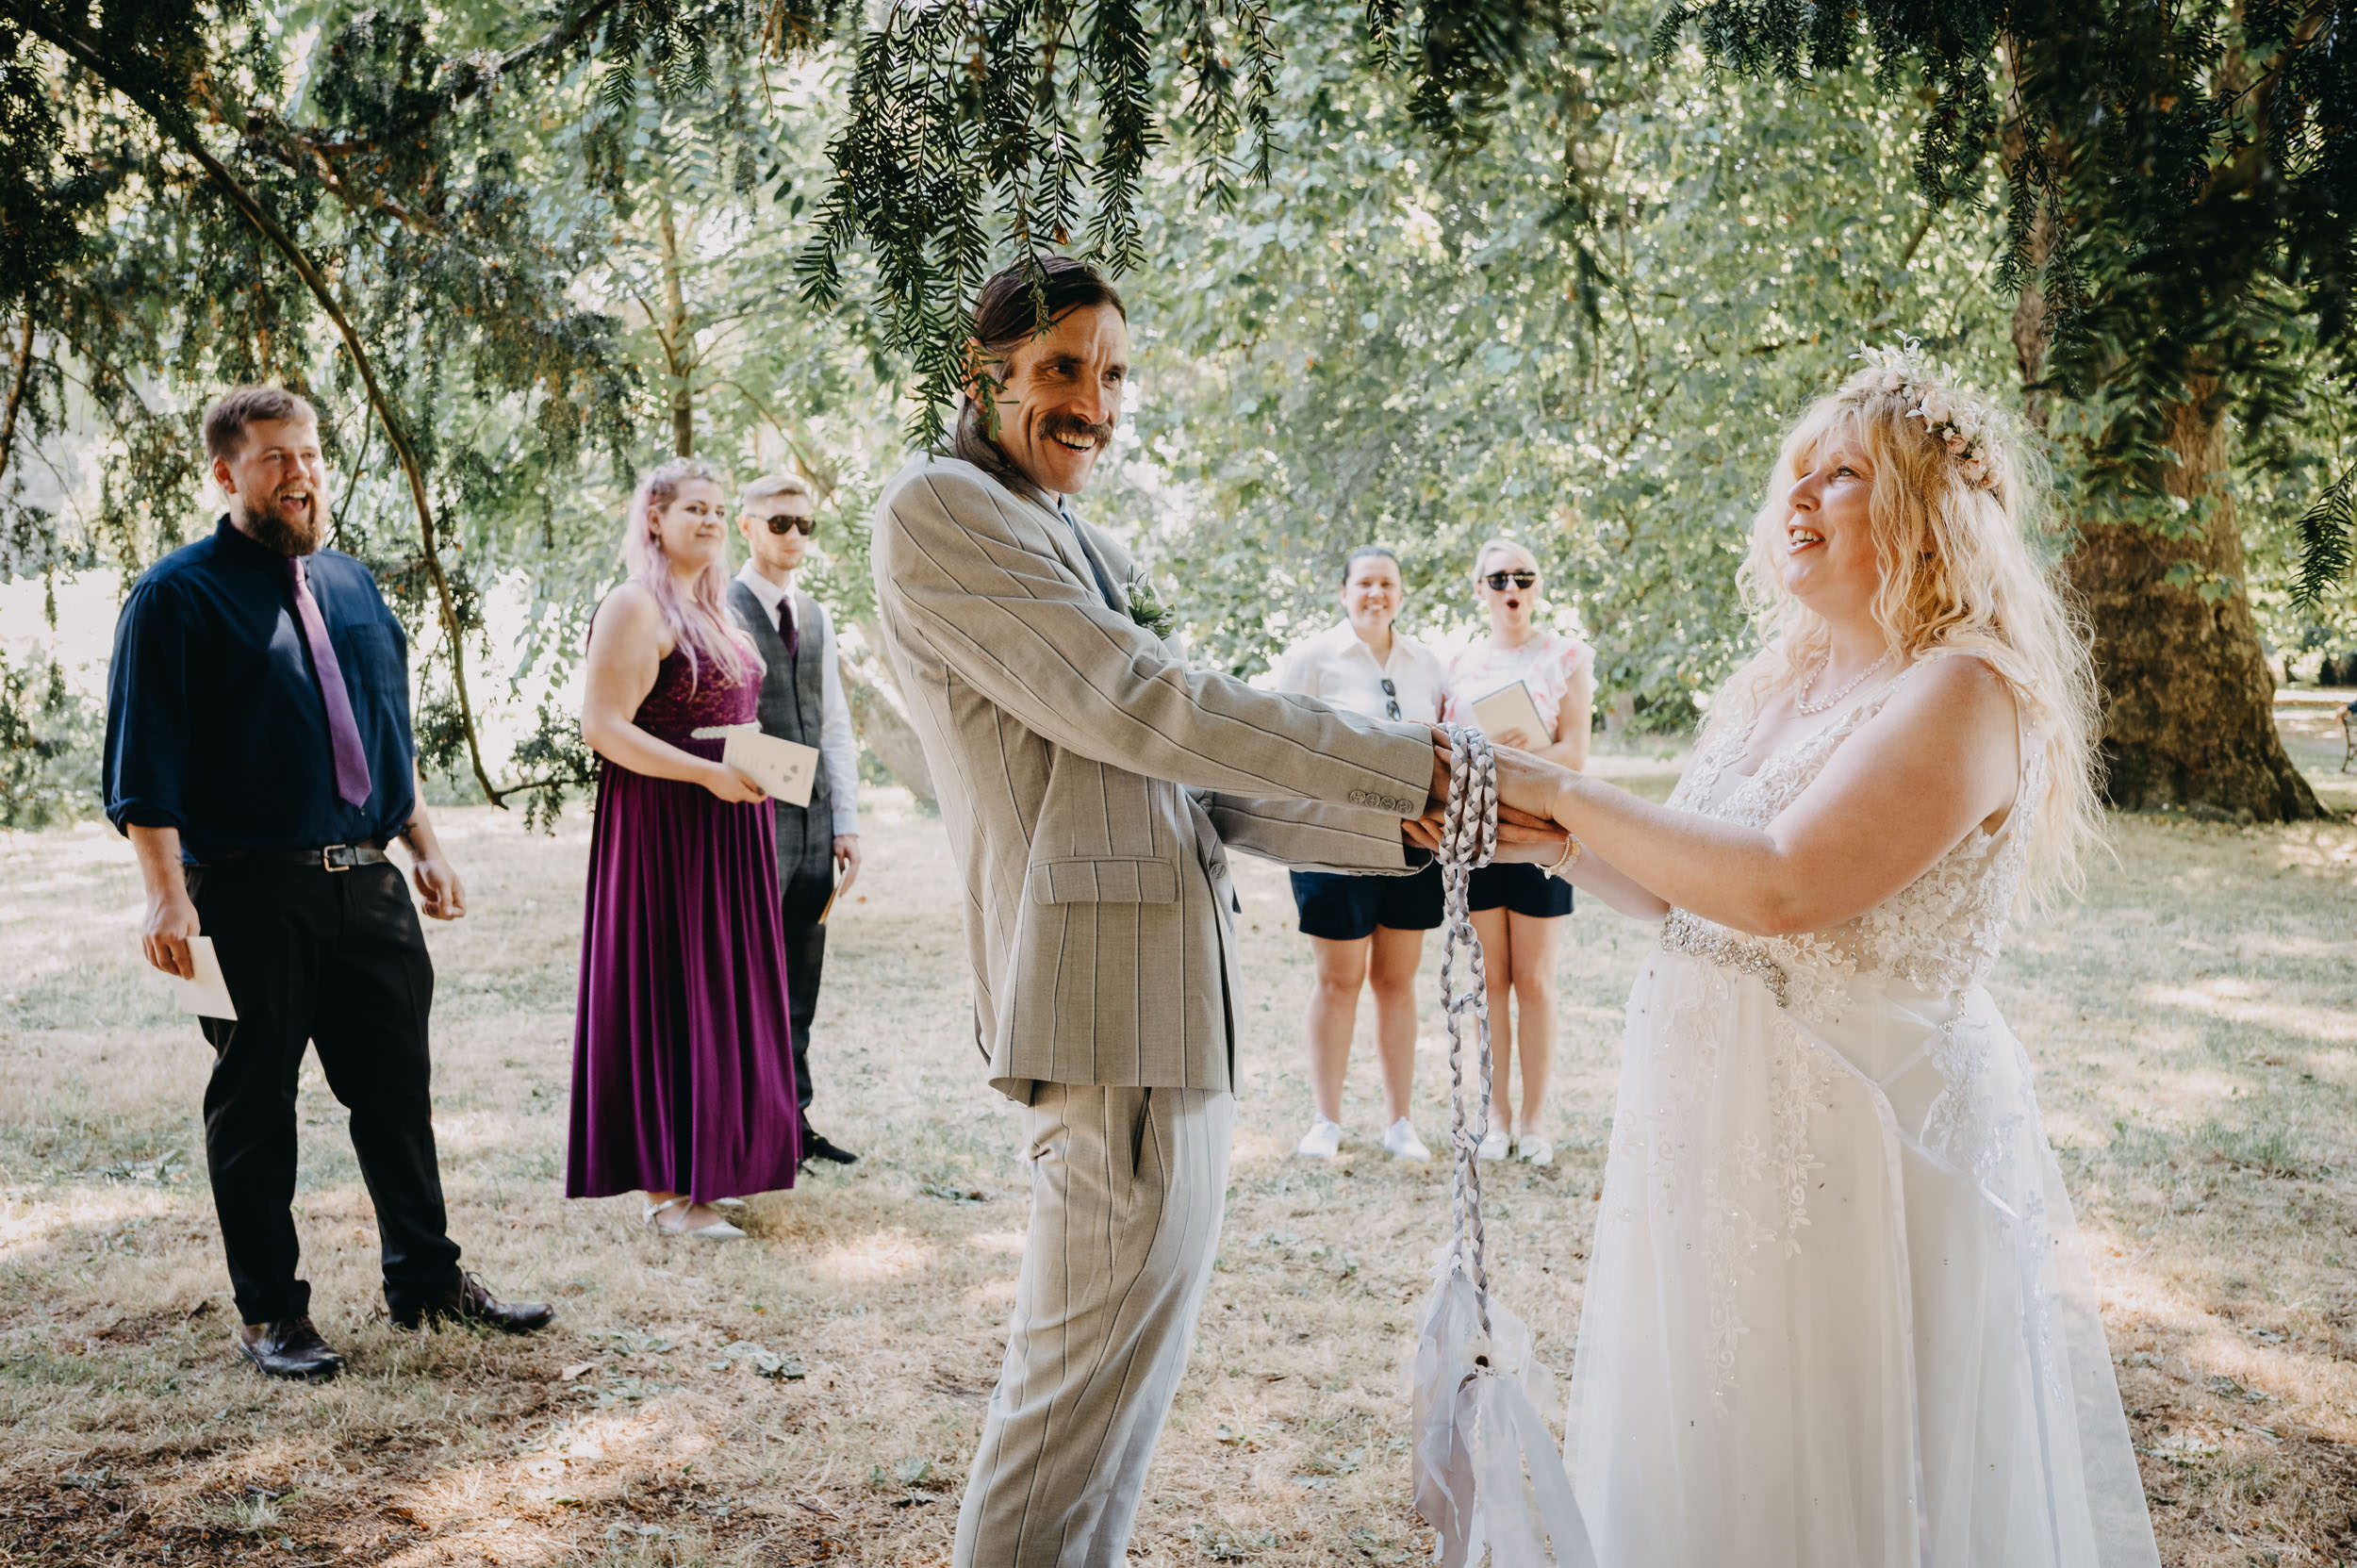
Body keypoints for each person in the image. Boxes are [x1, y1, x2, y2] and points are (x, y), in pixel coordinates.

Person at [1459, 351, 2162, 1567]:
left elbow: (1782, 882)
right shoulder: (1776, 683)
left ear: (1928, 516)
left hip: (1852, 1143)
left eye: (1840, 475)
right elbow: (1697, 893)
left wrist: (1561, 784)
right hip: (1707, 1126)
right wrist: (1541, 833)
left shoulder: (1963, 689)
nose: (1798, 494)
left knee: (1838, 1468)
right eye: (1796, 468)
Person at [869, 256, 1444, 1568]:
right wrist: (1407, 763)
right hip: (1104, 1010)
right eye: (1063, 366)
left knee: (1119, 1422)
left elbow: (1183, 782)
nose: (1095, 401)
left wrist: (1403, 825)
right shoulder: (938, 509)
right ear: (987, 371)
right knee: (1059, 1423)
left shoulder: (1069, 530)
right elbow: (1141, 700)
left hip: (1178, 1006)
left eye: (1113, 373)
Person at [104, 386, 553, 1382]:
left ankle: (427, 1281)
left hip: (371, 886)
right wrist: (164, 892)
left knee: (397, 1093)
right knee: (254, 1104)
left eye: (308, 454)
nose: (300, 474)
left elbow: (386, 730)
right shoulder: (175, 597)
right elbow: (148, 762)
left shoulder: (352, 585)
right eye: (275, 459)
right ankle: (271, 1312)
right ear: (225, 474)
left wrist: (425, 843)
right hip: (245, 895)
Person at [569, 457, 801, 1241]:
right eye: (692, 508)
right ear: (655, 520)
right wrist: (707, 775)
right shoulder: (636, 605)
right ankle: (670, 1192)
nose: (707, 519)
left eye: (716, 508)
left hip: (726, 825)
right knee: (671, 986)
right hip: (664, 828)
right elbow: (603, 726)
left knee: (717, 989)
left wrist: (757, 767)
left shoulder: (719, 611)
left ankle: (708, 1170)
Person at [1270, 546, 1451, 1162]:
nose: (1377, 593)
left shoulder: (1427, 663)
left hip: (1413, 847)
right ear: (1344, 591)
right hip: (1333, 845)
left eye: (1388, 584)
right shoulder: (1313, 659)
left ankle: (1400, 1122)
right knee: (1338, 979)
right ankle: (1326, 1120)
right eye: (1365, 583)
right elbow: (1286, 742)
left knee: (1397, 981)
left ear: (1401, 593)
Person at [1442, 538, 1593, 1165]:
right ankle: (1495, 1116)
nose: (1513, 588)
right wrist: (1490, 756)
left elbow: (1574, 754)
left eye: (1524, 577)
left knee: (1533, 980)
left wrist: (1501, 759)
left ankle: (1534, 1120)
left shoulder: (1569, 655)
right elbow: (1444, 750)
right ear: (1479, 589)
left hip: (1543, 835)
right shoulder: (1455, 662)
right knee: (1488, 982)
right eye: (1499, 577)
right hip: (1475, 837)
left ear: (1537, 586)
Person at [728, 472, 863, 1169]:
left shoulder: (815, 614)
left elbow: (834, 721)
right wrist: (794, 778)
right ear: (744, 525)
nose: (794, 537)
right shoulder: (717, 608)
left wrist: (848, 820)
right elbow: (713, 728)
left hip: (814, 831)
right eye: (780, 522)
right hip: (748, 825)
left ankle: (793, 1122)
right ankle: (746, 1129)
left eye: (804, 525)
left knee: (800, 985)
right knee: (747, 981)